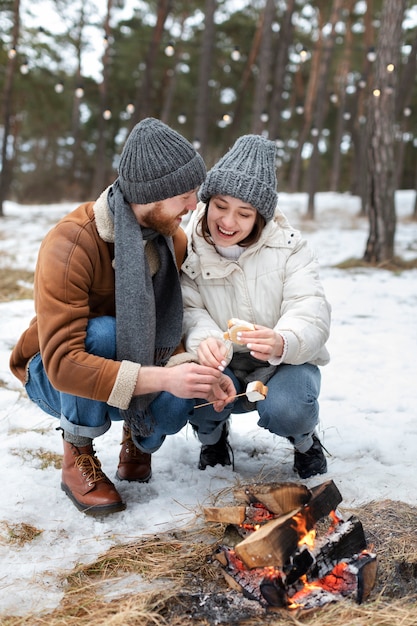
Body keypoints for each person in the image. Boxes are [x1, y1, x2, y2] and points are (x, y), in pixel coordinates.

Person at [9, 118, 235, 516]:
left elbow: (172, 322)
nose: (193, 204)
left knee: (176, 401)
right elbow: (63, 364)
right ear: (152, 195)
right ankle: (77, 455)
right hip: (52, 373)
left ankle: (137, 434)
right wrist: (165, 377)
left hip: (132, 363)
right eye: (185, 194)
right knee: (101, 333)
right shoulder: (72, 242)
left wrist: (194, 373)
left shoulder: (172, 241)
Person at [180, 134, 332, 478]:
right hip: (225, 361)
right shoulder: (188, 246)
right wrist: (204, 340)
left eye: (243, 213)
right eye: (220, 206)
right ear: (207, 202)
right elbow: (189, 307)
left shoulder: (290, 247)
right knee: (199, 386)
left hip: (283, 363)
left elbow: (310, 307)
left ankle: (305, 442)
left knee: (289, 407)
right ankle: (213, 438)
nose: (228, 222)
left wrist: (284, 340)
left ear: (259, 217)